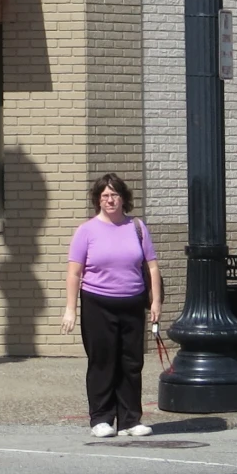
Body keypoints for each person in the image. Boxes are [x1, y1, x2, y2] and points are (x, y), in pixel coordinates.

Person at [62, 172, 162, 437]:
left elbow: (151, 267)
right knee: (103, 362)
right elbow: (74, 273)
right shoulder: (86, 231)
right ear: (97, 200)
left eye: (115, 194)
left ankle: (130, 420)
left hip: (132, 303)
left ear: (123, 198)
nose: (110, 200)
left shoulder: (137, 228)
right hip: (98, 303)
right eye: (105, 195)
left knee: (131, 363)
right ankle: (101, 419)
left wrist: (156, 301)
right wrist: (70, 309)